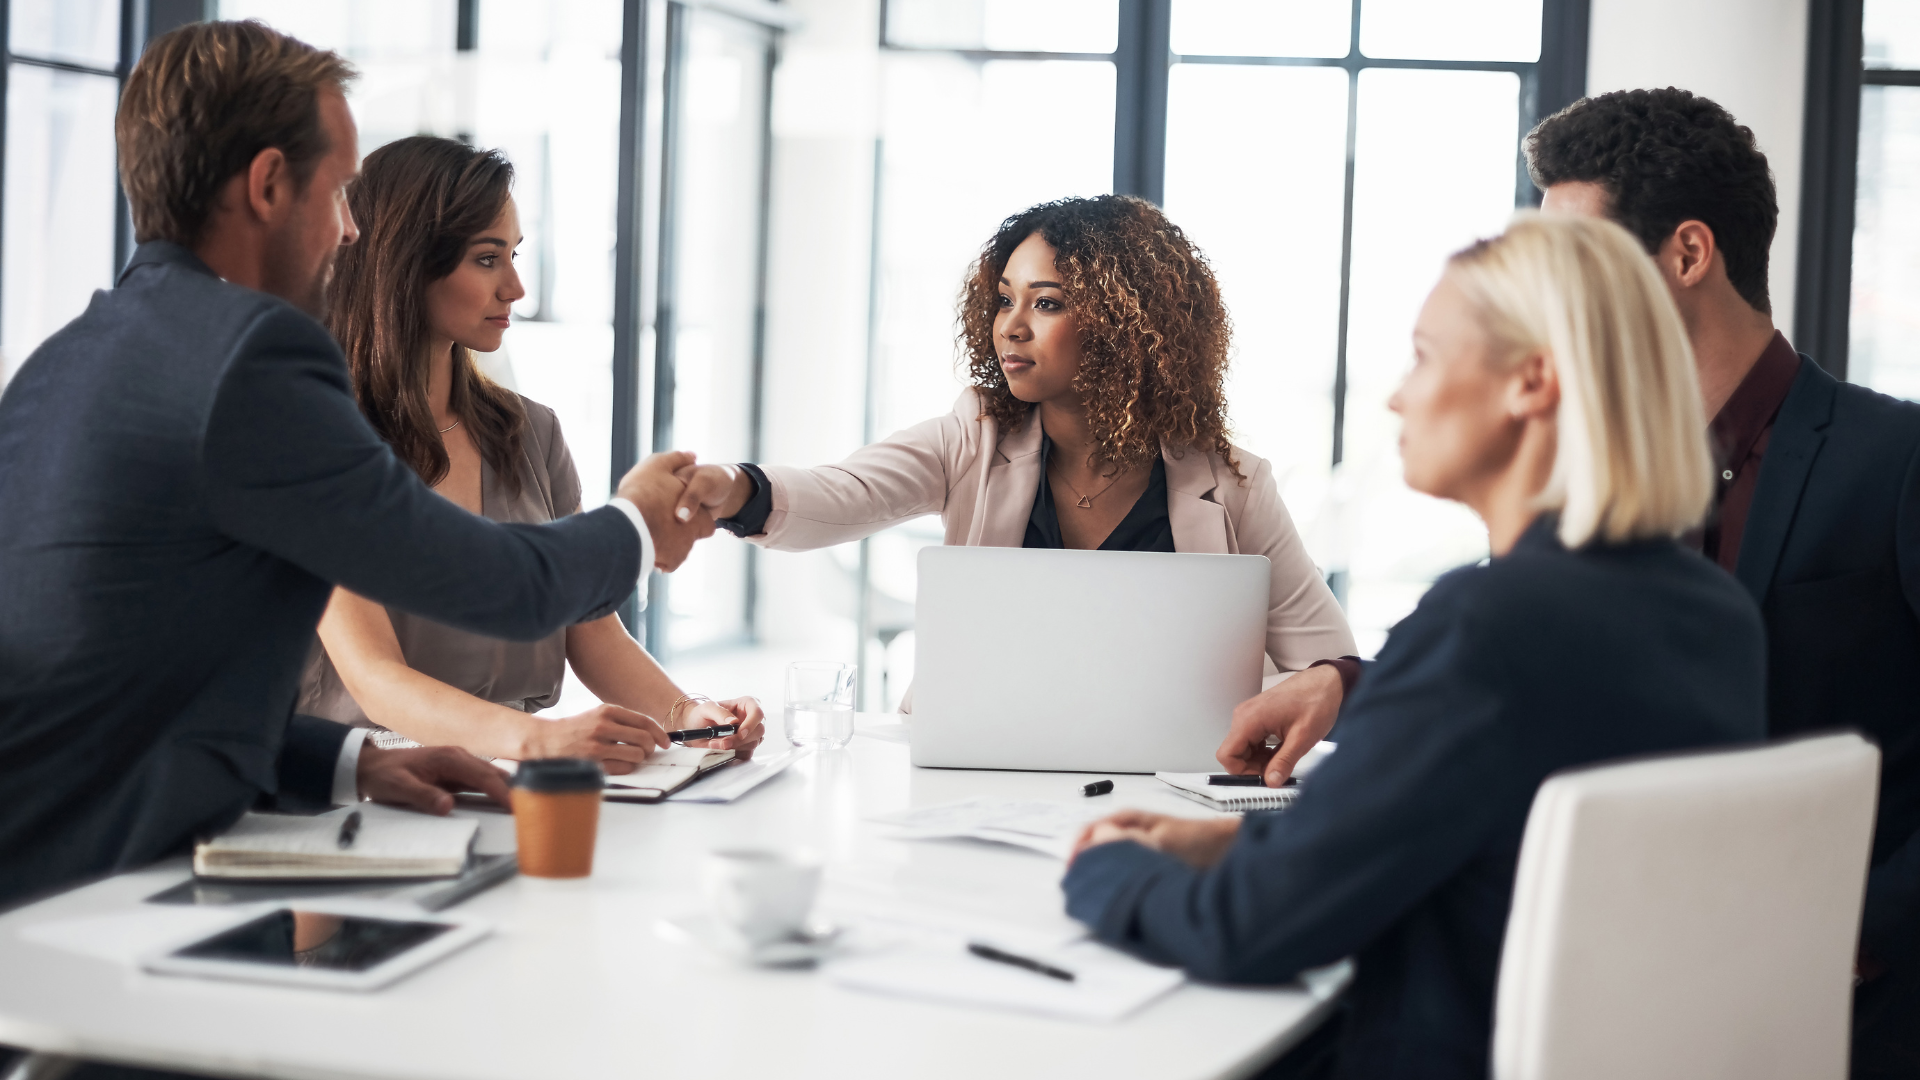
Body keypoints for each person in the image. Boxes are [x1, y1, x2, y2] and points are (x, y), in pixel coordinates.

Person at [1222, 87, 1920, 1077]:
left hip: (1847, 1012)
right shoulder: (1597, 469)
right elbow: (1548, 644)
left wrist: (1858, 932)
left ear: (1686, 255)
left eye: (1574, 253)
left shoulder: (1897, 459)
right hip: (1589, 990)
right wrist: (1348, 682)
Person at [0, 21, 713, 913]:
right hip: (120, 894)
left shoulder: (61, 359)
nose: (349, 232)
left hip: (46, 876)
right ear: (267, 185)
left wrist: (351, 760)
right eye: (339, 193)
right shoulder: (252, 355)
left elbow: (124, 695)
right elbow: (497, 585)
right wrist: (640, 521)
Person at [1064, 214, 1767, 1080]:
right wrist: (1231, 845)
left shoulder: (1492, 622)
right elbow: (1488, 843)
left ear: (1531, 382)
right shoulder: (1712, 611)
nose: (1400, 394)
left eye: (1426, 355)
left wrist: (1107, 870)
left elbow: (1246, 930)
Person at [676, 195, 1356, 688]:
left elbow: (1332, 665)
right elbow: (842, 494)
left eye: (1048, 302)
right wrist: (732, 489)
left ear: (1126, 326)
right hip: (987, 773)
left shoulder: (1232, 485)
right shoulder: (973, 438)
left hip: (1169, 784)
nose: (1011, 326)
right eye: (1005, 299)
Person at [298, 135, 762, 769]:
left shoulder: (528, 433)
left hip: (517, 774)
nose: (516, 286)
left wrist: (686, 715)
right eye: (487, 259)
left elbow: (589, 626)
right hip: (376, 785)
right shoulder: (323, 443)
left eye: (514, 255)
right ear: (404, 264)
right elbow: (375, 676)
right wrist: (544, 742)